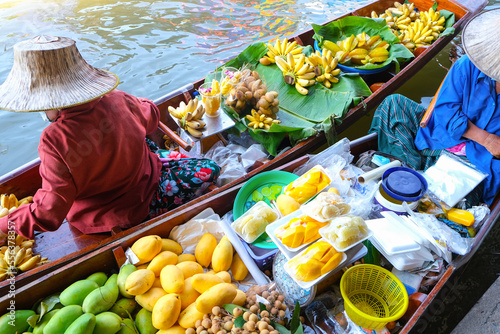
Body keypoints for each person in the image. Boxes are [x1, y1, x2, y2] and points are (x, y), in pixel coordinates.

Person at [0, 35, 220, 239]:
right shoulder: (118, 99)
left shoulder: (53, 141)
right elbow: (151, 115)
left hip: (103, 215)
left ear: (49, 104)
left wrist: (5, 226)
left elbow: (48, 212)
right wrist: (129, 109)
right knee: (210, 167)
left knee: (146, 145)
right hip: (141, 187)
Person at [368, 9, 500, 206]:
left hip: (476, 164)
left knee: (452, 202)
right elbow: (445, 110)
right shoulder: (468, 65)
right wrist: (486, 138)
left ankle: (411, 179)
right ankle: (409, 172)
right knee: (393, 104)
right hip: (440, 138)